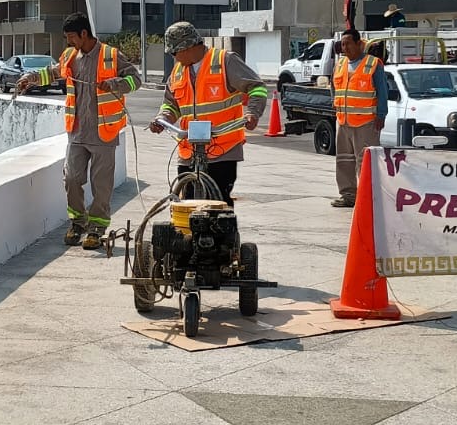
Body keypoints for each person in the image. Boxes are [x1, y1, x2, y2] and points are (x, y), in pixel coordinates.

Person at [15, 13, 140, 249]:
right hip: (77, 132)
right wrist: (31, 78)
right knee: (71, 179)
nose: (69, 41)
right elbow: (54, 72)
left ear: (84, 33)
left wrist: (115, 84)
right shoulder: (70, 56)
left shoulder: (111, 55)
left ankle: (96, 229)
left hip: (104, 132)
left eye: (71, 37)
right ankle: (77, 223)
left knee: (101, 185)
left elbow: (135, 80)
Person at [150, 22, 268, 207]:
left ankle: (222, 226)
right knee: (186, 204)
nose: (174, 57)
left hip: (223, 149)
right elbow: (171, 105)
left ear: (187, 47)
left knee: (218, 203)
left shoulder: (225, 61)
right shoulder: (178, 72)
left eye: (174, 52)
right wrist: (163, 119)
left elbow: (257, 87)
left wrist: (252, 113)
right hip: (189, 151)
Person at [331, 28, 389, 208]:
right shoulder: (340, 64)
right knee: (344, 160)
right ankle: (348, 195)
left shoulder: (373, 64)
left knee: (365, 161)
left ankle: (368, 197)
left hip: (366, 122)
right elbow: (334, 87)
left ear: (359, 44)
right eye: (342, 44)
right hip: (343, 121)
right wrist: (335, 104)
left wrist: (381, 114)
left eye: (348, 43)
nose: (345, 47)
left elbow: (383, 91)